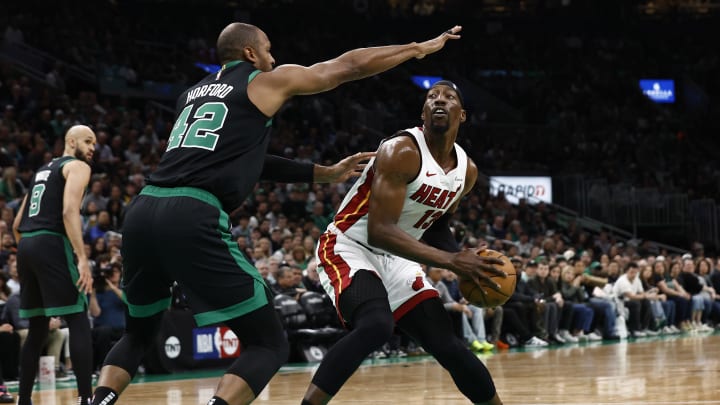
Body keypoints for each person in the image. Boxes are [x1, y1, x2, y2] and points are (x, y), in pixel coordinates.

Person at [91, 22, 464, 405]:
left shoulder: (191, 94)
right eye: (268, 49)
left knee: (137, 334)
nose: (274, 58)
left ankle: (97, 400)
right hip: (191, 212)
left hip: (142, 210)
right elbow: (346, 67)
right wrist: (417, 48)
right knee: (268, 344)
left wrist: (321, 173)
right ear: (250, 54)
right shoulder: (261, 81)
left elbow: (239, 157)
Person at [304, 80, 506, 405]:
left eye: (449, 97)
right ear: (423, 113)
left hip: (396, 258)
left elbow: (438, 227)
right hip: (350, 245)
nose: (439, 100)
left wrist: (467, 263)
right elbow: (380, 231)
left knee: (447, 344)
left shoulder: (466, 171)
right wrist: (451, 262)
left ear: (463, 115)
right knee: (376, 326)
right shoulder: (402, 150)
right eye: (432, 97)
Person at [11, 125, 97, 405]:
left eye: (94, 143)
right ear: (70, 142)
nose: (92, 147)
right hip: (51, 241)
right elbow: (69, 211)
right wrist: (82, 258)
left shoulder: (40, 172)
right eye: (87, 141)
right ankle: (86, 398)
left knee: (37, 327)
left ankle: (24, 399)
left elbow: (16, 225)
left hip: (26, 245)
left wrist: (29, 249)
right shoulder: (77, 167)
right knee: (78, 318)